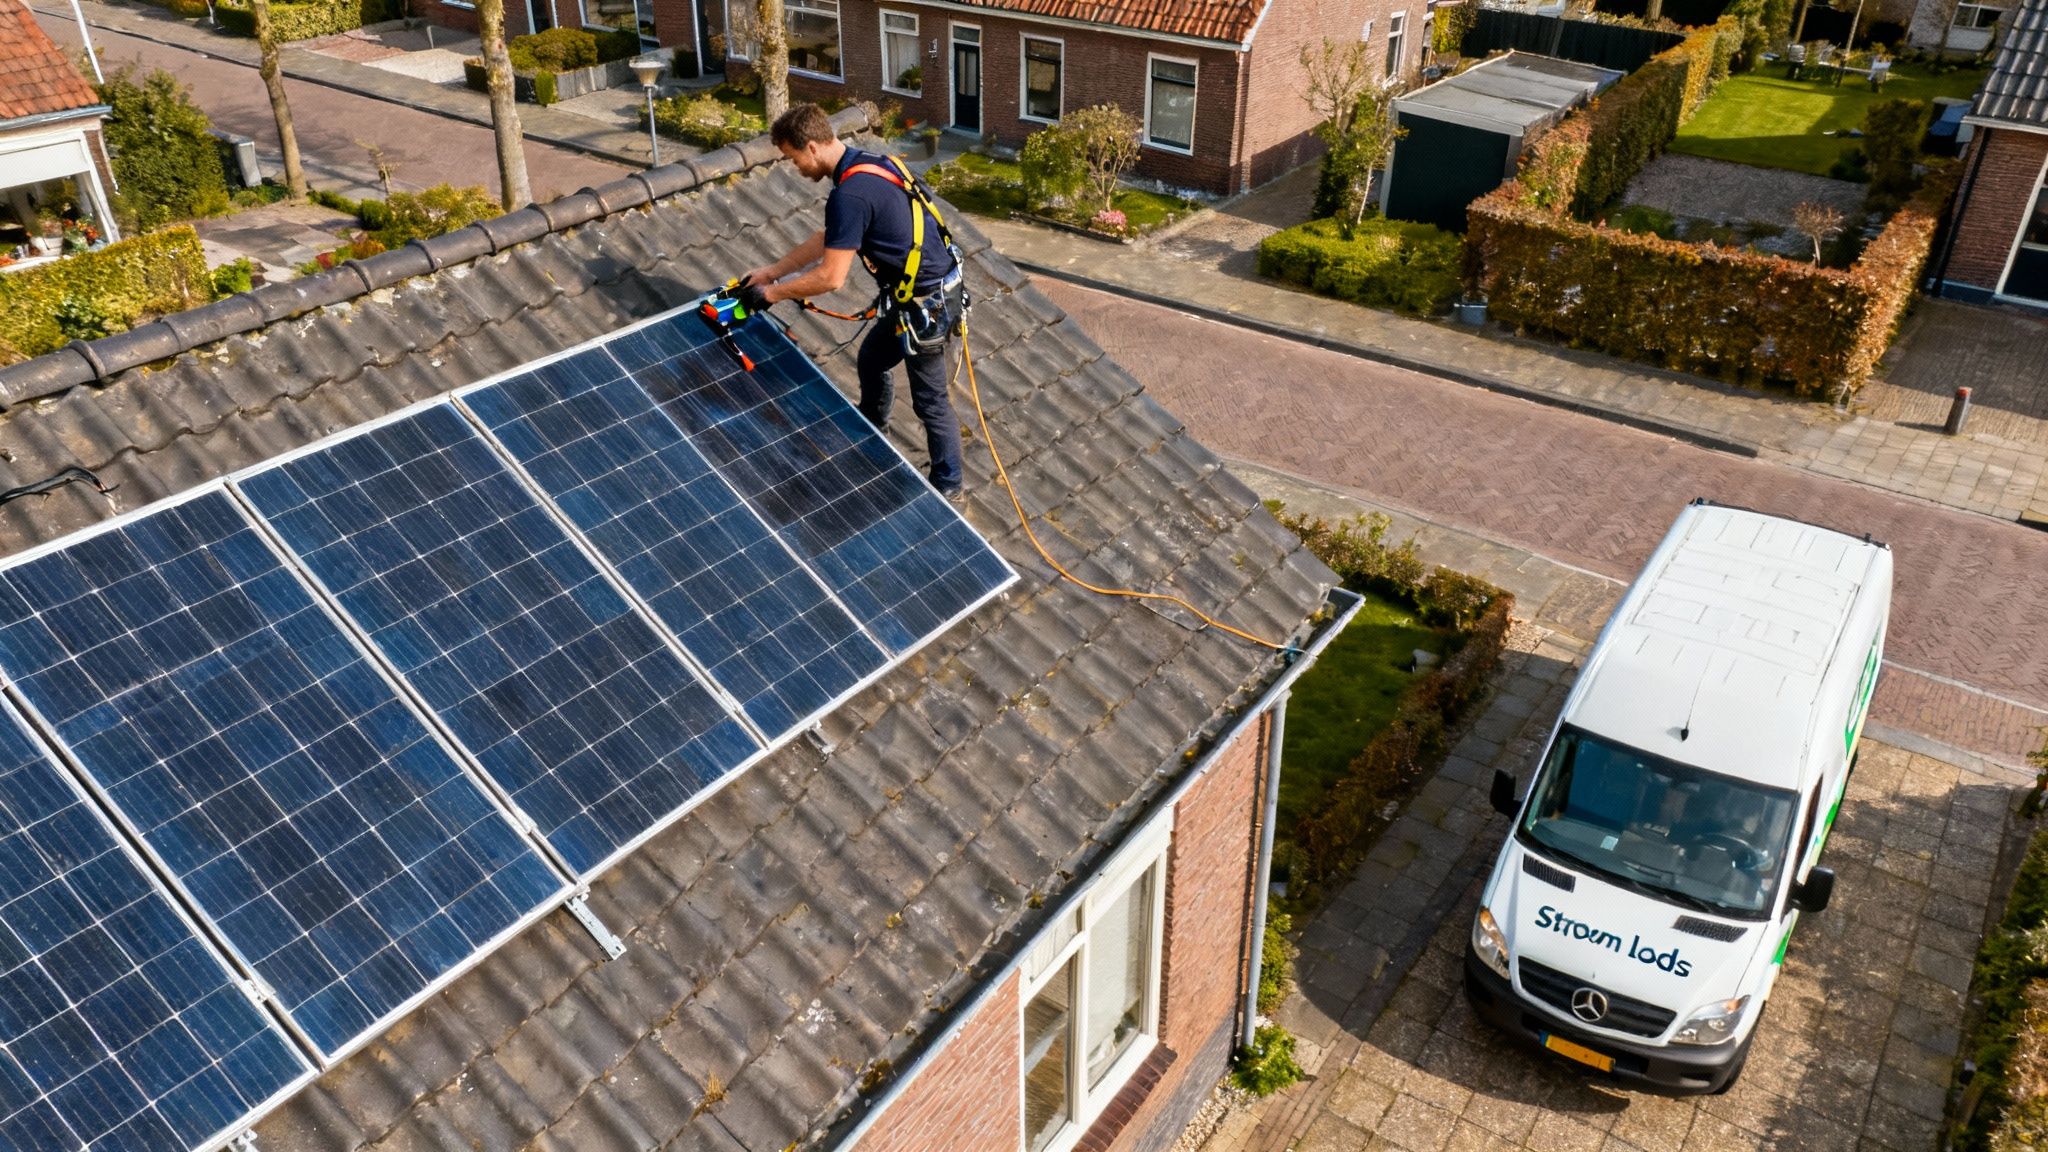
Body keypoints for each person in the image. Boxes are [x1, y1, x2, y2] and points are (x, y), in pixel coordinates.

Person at [735, 103, 967, 502]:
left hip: (928, 307)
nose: (796, 169)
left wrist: (771, 294)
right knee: (872, 359)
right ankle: (873, 426)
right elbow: (832, 238)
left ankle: (949, 485)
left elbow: (832, 277)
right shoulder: (868, 165)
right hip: (917, 296)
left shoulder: (850, 193)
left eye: (793, 160)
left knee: (930, 403)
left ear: (811, 147)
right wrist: (772, 271)